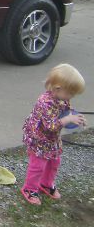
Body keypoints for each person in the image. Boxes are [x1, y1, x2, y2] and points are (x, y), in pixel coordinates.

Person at [21, 63, 87, 204]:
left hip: (52, 139)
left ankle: (45, 183)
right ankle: (29, 189)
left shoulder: (62, 97)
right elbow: (50, 126)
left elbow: (66, 111)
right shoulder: (45, 103)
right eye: (70, 93)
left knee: (54, 161)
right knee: (38, 165)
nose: (71, 97)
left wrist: (76, 118)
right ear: (58, 88)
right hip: (39, 138)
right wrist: (67, 119)